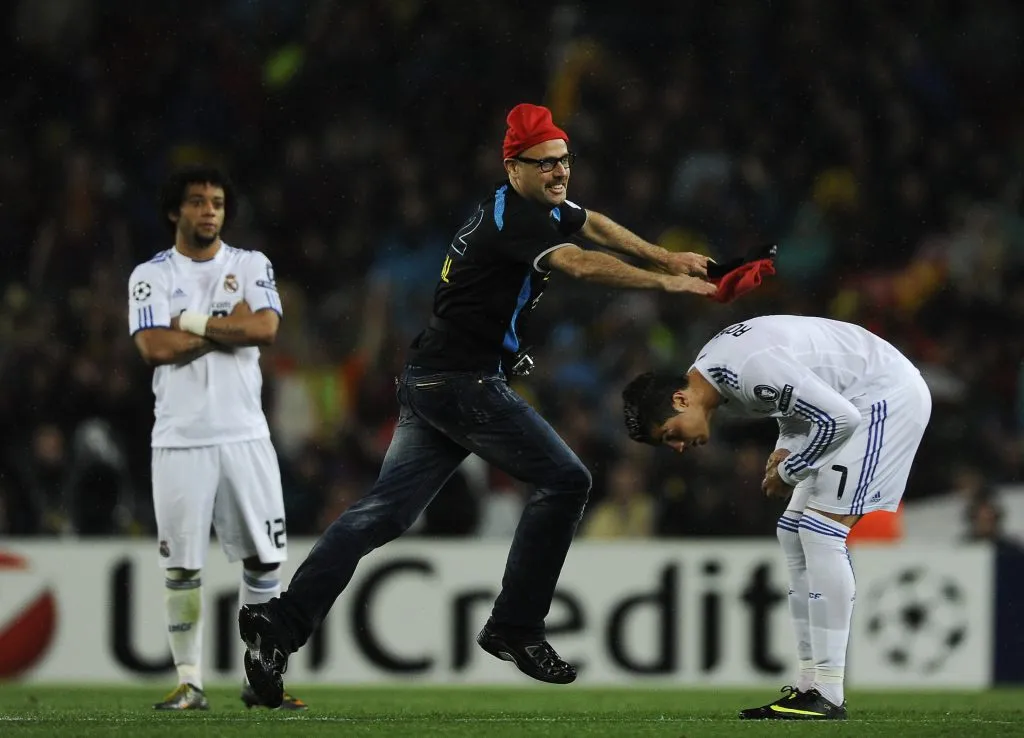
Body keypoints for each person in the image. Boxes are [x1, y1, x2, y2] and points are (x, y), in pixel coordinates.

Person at [238, 103, 718, 707]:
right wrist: (664, 281)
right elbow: (579, 261)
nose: (559, 173)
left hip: (432, 379)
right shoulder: (516, 221)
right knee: (567, 480)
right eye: (545, 164)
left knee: (384, 515)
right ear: (513, 168)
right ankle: (515, 627)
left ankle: (277, 626)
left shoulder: (524, 205)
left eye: (565, 160)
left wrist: (664, 254)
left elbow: (591, 223)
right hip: (462, 383)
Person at [621, 315, 932, 721]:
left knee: (821, 531)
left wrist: (789, 470)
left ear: (680, 400)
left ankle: (828, 692)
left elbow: (841, 418)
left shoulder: (744, 371)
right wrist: (787, 446)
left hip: (883, 398)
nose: (678, 446)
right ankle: (808, 685)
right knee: (791, 531)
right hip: (857, 397)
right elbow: (797, 400)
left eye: (670, 434)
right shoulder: (718, 377)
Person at [128, 165, 306, 711]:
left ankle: (261, 679)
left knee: (263, 564)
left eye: (218, 203)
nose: (210, 211)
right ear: (174, 211)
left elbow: (267, 330)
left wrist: (194, 323)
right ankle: (190, 682)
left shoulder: (250, 264)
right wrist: (228, 328)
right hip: (180, 438)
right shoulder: (149, 275)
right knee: (182, 566)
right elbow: (154, 348)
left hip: (245, 436)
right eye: (199, 201)